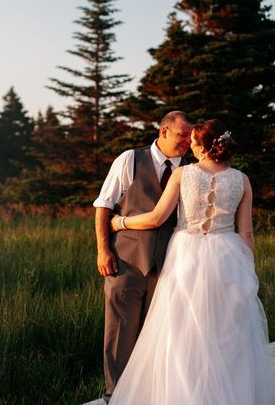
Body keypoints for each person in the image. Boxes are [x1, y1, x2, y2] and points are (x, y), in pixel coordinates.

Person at [108, 120, 275, 405]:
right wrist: (248, 271)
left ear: (203, 145)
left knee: (180, 330)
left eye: (194, 140)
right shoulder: (242, 179)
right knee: (225, 333)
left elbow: (156, 218)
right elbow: (246, 232)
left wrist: (119, 221)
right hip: (228, 256)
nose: (190, 145)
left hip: (187, 254)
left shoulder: (183, 174)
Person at [93, 111, 193, 401]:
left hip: (169, 267)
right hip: (125, 262)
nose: (187, 141)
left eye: (190, 136)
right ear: (164, 132)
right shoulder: (129, 160)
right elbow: (104, 206)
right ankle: (115, 396)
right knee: (119, 333)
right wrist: (103, 249)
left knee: (159, 336)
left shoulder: (192, 170)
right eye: (182, 135)